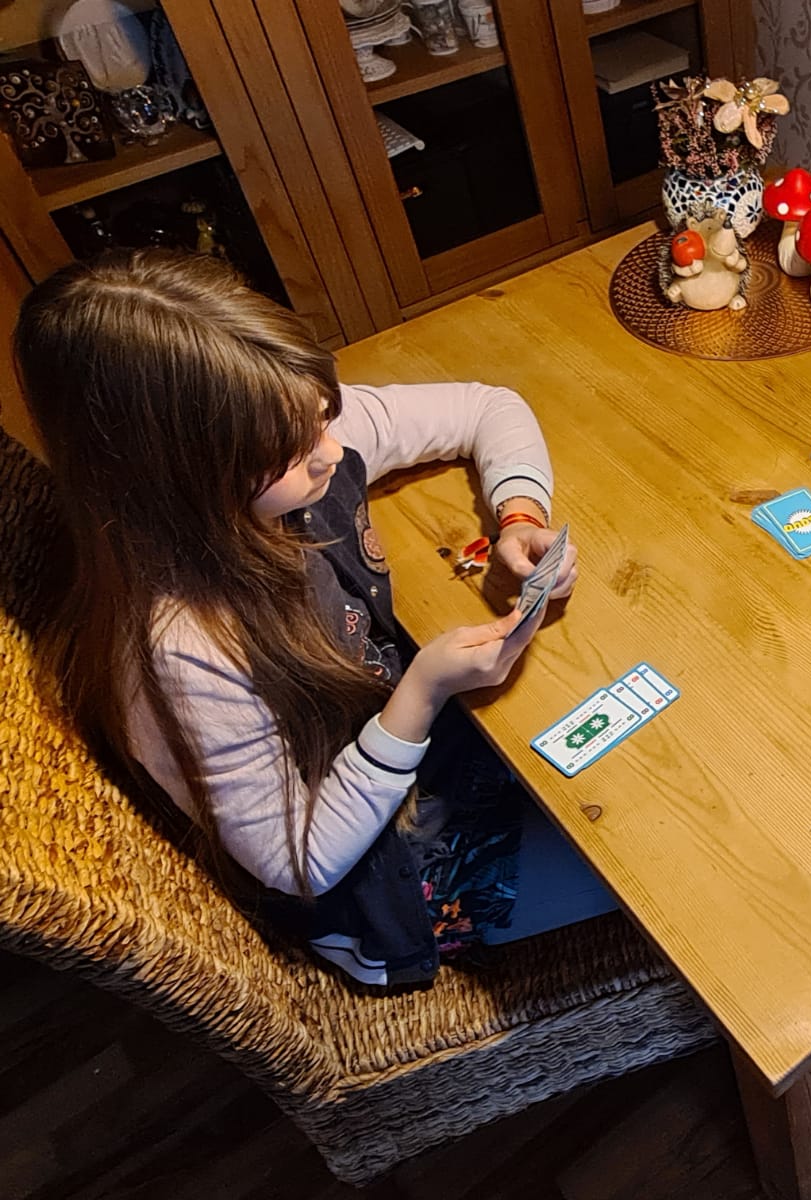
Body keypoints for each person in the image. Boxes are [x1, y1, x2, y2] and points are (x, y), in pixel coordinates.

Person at [13, 249, 615, 988]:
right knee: (657, 864)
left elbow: (488, 406)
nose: (334, 450)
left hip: (418, 757)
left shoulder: (279, 428)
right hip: (380, 888)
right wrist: (421, 694)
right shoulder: (177, 648)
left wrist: (520, 512)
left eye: (323, 417)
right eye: (298, 449)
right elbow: (299, 860)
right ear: (181, 477)